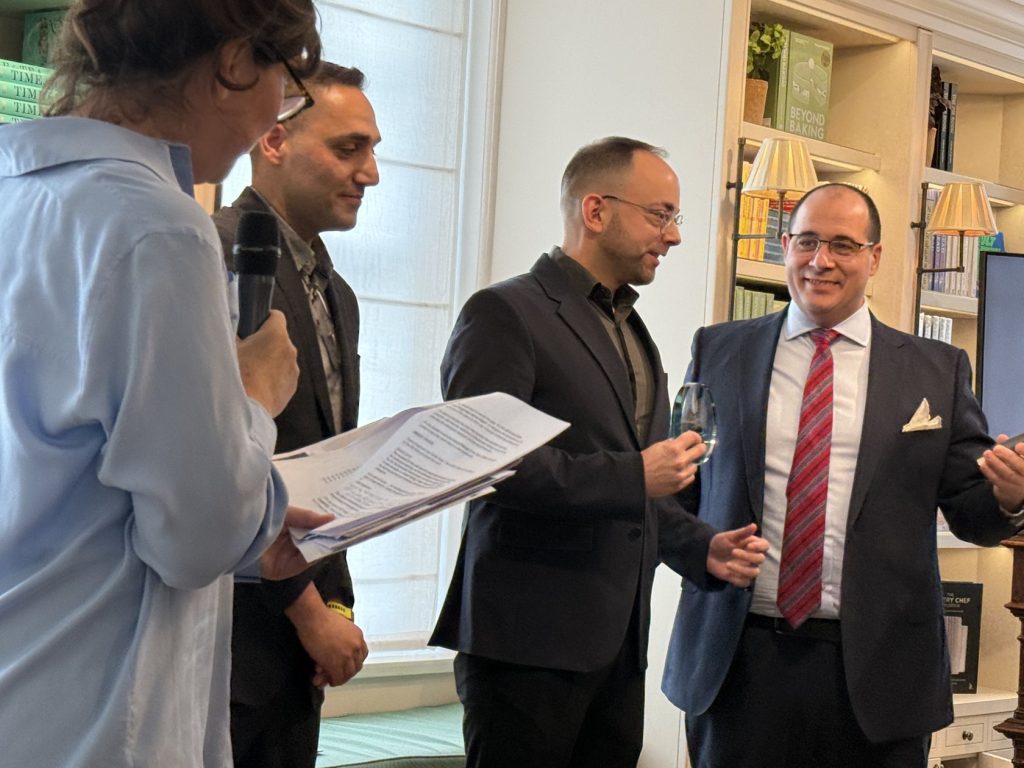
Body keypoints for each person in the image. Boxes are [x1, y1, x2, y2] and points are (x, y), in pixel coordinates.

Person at [0, 1, 331, 766]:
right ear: (236, 62)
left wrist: (255, 523)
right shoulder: (157, 227)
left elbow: (62, 481)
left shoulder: (20, 196)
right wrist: (255, 396)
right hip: (96, 709)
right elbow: (196, 538)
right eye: (286, 89)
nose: (274, 119)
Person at [430, 136, 769, 768]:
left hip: (618, 649)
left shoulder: (633, 329)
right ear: (595, 210)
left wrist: (700, 546)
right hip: (526, 646)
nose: (673, 236)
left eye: (675, 218)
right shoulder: (504, 312)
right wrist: (633, 475)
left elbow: (643, 490)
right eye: (660, 215)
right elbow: (483, 464)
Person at [661, 182, 1024, 768]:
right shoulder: (719, 351)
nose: (821, 260)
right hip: (737, 662)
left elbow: (971, 511)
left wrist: (1009, 499)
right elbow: (671, 489)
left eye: (843, 245)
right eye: (807, 241)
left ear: (874, 258)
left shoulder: (935, 369)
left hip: (882, 674)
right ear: (786, 247)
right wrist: (700, 551)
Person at [213, 61, 381, 768]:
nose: (370, 174)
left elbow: (323, 464)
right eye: (348, 149)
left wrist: (334, 609)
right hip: (222, 645)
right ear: (274, 139)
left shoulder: (339, 294)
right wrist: (308, 611)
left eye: (372, 150)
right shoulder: (212, 255)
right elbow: (216, 465)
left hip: (297, 657)